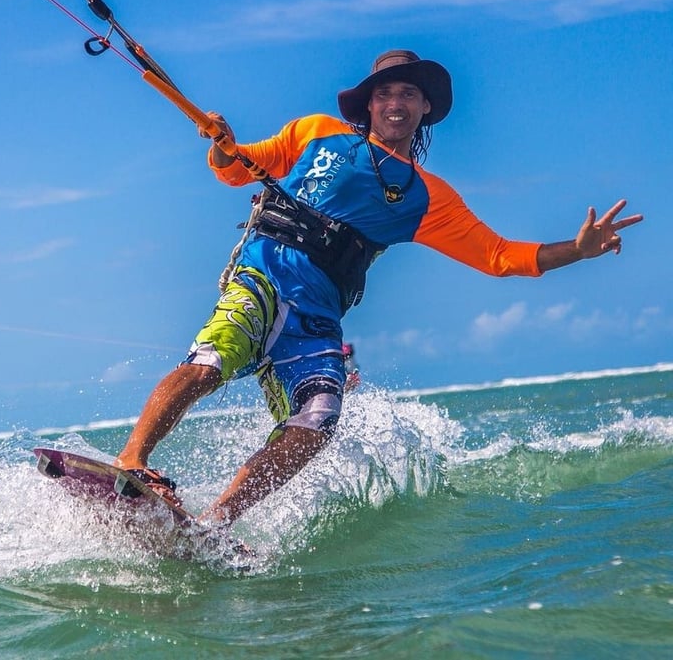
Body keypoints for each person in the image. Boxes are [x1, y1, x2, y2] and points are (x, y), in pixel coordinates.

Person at [116, 49, 643, 525]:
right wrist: (220, 144)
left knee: (318, 419)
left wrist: (579, 249)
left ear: (424, 109)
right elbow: (235, 169)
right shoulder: (315, 132)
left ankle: (219, 519)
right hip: (265, 277)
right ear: (368, 105)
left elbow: (500, 257)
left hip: (317, 318)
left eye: (408, 93)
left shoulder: (429, 198)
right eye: (385, 93)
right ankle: (134, 460)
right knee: (213, 359)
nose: (395, 102)